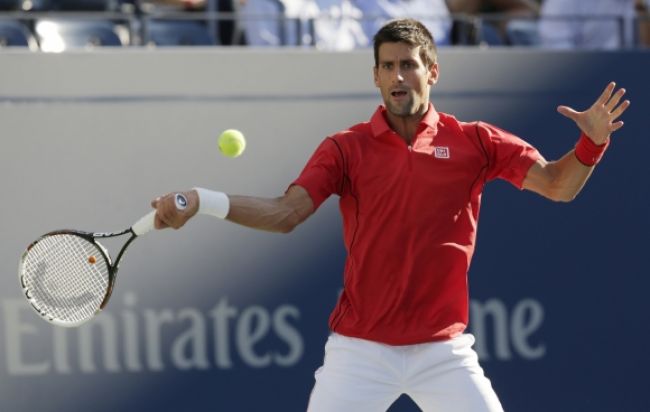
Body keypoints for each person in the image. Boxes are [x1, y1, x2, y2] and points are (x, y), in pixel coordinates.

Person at [150, 18, 629, 411]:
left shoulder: (476, 142)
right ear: (376, 77)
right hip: (360, 352)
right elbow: (285, 213)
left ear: (432, 72)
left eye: (409, 65)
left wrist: (592, 143)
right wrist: (200, 199)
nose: (399, 77)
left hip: (444, 351)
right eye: (388, 67)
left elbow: (557, 186)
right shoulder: (345, 149)